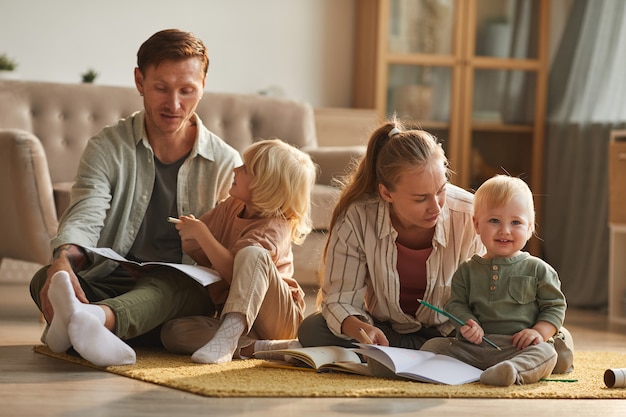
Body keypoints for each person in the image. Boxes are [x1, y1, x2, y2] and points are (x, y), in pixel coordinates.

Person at [29, 29, 242, 367]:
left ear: (202, 86)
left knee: (176, 287)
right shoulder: (107, 147)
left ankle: (89, 322)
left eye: (187, 90)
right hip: (113, 280)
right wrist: (63, 265)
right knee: (47, 277)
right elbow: (86, 213)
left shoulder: (226, 163)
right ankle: (103, 324)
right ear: (140, 81)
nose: (174, 104)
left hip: (179, 291)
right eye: (161, 88)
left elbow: (228, 253)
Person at [297, 119, 485, 349]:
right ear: (386, 193)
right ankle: (424, 354)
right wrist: (362, 330)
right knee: (312, 329)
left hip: (449, 334)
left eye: (441, 190)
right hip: (386, 330)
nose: (436, 207)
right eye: (420, 198)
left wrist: (474, 326)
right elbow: (340, 299)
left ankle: (419, 353)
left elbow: (486, 297)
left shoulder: (469, 214)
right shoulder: (357, 217)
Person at [159, 138, 317, 364]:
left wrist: (203, 234)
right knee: (174, 332)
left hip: (278, 319)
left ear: (265, 184)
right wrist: (192, 237)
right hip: (240, 319)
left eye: (245, 168)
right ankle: (258, 347)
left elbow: (238, 275)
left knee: (253, 254)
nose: (235, 169)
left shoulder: (275, 226)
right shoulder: (231, 206)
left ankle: (231, 336)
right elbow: (202, 251)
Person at [420, 175, 574, 386]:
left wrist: (538, 332)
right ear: (476, 224)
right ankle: (465, 370)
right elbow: (455, 304)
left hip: (518, 348)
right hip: (474, 346)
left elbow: (555, 307)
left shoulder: (538, 269)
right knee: (432, 347)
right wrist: (467, 323)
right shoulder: (466, 270)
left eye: (516, 222)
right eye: (494, 220)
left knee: (547, 353)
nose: (505, 230)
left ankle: (511, 371)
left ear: (529, 227)